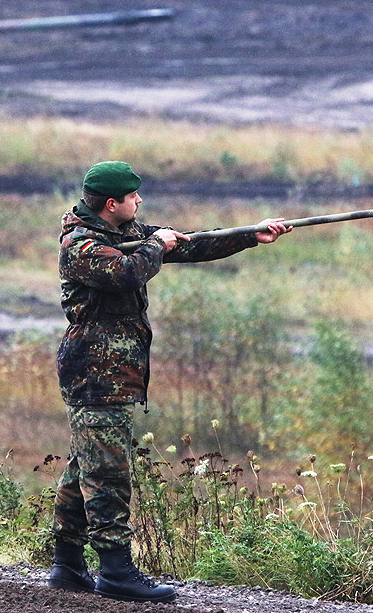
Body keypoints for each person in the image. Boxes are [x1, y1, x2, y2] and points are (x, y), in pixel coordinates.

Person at [49, 161, 290, 602]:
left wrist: (250, 235)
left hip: (113, 372)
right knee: (107, 473)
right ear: (111, 204)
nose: (139, 202)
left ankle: (67, 565)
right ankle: (116, 572)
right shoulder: (81, 246)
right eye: (133, 197)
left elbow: (190, 244)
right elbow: (128, 271)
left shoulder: (126, 234)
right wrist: (156, 245)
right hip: (95, 373)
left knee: (85, 466)